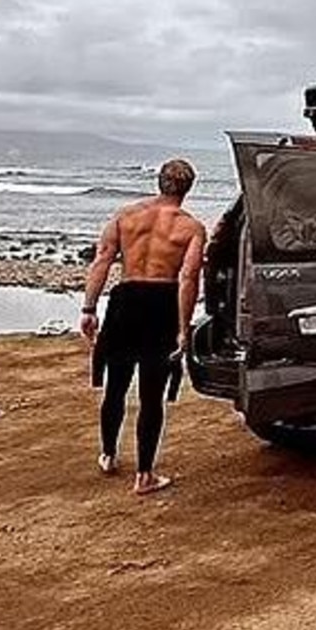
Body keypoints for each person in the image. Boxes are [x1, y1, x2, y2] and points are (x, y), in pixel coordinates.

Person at [80, 159, 206, 496]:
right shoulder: (191, 228)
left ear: (158, 182)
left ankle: (107, 454)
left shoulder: (126, 216)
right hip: (161, 305)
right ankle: (144, 475)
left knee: (116, 385)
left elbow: (102, 260)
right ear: (188, 189)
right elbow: (188, 279)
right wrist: (184, 326)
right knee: (152, 396)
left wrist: (89, 309)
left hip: (125, 302)